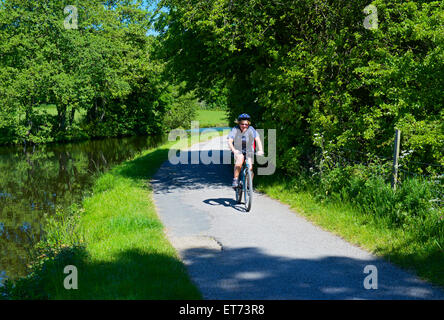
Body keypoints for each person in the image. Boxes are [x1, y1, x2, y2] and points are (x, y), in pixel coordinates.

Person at [227, 113, 264, 188]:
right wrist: (233, 150)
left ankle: (248, 183)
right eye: (242, 124)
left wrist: (260, 150)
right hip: (238, 150)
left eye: (246, 124)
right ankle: (235, 179)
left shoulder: (251, 129)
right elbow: (229, 141)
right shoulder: (235, 129)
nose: (244, 126)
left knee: (250, 167)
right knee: (240, 159)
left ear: (248, 124)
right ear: (239, 123)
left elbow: (258, 140)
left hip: (249, 150)